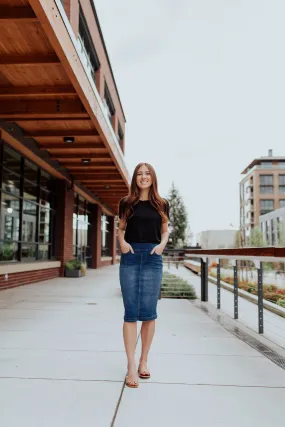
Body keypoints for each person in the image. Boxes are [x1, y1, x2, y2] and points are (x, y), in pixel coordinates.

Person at [118, 162, 169, 389]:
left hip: (152, 257)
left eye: (147, 173)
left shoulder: (162, 204)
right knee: (130, 312)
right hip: (130, 256)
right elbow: (121, 228)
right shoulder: (126, 203)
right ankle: (130, 368)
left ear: (153, 177)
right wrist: (122, 243)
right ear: (135, 179)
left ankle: (143, 361)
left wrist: (161, 247)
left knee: (149, 313)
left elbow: (165, 231)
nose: (143, 177)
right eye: (139, 174)